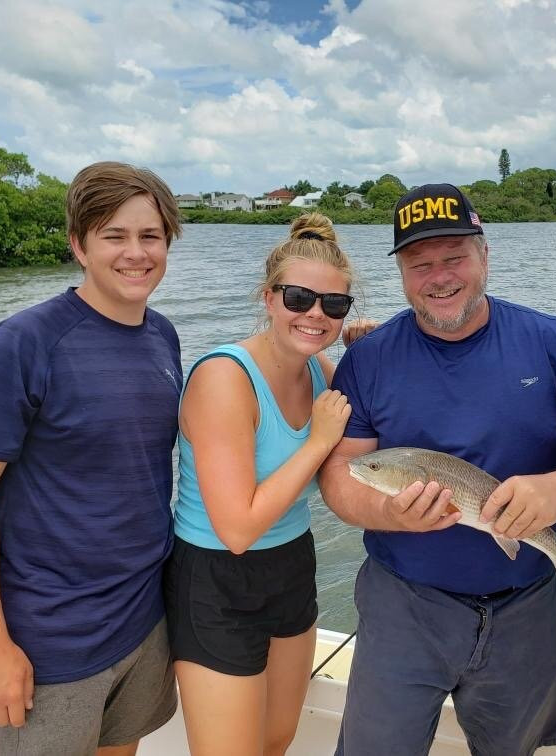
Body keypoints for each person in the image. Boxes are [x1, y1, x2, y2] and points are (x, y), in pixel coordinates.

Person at [317, 183, 556, 755]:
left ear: (485, 254)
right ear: (400, 271)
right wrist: (390, 512)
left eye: (454, 258)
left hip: (527, 605)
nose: (439, 277)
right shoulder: (368, 358)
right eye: (421, 264)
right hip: (403, 606)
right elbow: (342, 473)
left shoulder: (550, 341)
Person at [0, 161, 183, 755]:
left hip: (144, 619)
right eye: (114, 236)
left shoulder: (162, 336)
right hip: (50, 638)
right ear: (78, 244)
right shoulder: (24, 343)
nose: (136, 253)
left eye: (150, 236)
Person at [164, 212, 354, 756]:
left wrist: (373, 348)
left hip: (292, 565)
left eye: (333, 306)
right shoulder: (224, 378)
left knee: (276, 739)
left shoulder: (322, 371)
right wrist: (317, 442)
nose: (315, 315)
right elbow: (238, 528)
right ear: (269, 298)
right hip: (216, 578)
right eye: (298, 298)